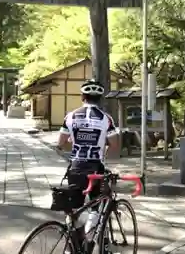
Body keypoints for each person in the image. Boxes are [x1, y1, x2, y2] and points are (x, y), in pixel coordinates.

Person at [57, 79, 119, 249]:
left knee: (74, 207)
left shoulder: (70, 116)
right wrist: (102, 153)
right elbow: (114, 145)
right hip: (95, 168)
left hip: (76, 166)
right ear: (100, 98)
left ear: (82, 96)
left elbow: (60, 143)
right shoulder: (106, 119)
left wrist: (75, 144)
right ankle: (89, 242)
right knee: (95, 208)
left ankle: (74, 244)